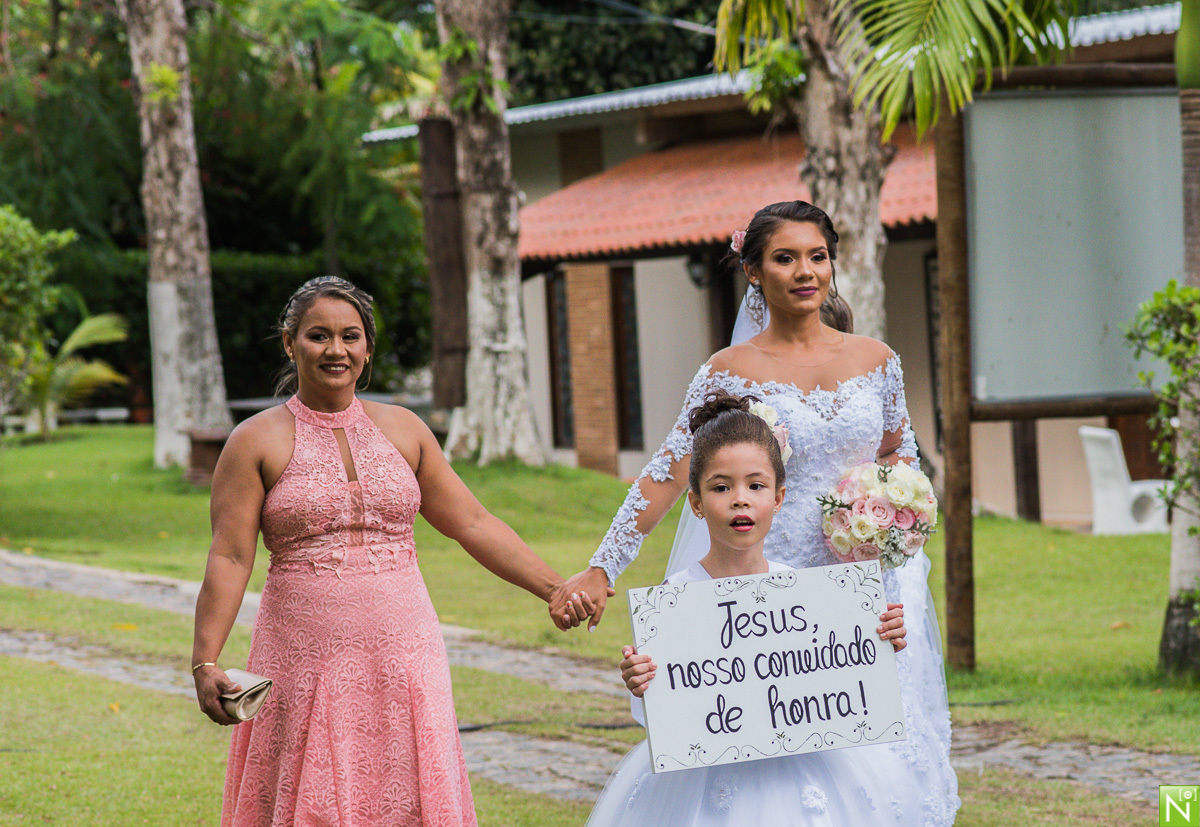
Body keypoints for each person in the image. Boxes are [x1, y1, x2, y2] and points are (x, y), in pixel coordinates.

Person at [562, 201, 959, 824]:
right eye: (785, 258)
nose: (806, 271)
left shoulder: (877, 360)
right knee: (764, 749)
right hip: (767, 581)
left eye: (817, 256)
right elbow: (670, 471)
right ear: (754, 271)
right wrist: (602, 568)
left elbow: (900, 454)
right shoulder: (730, 371)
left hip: (863, 587)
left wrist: (892, 509)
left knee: (877, 756)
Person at [191, 276, 592, 826]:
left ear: (368, 348)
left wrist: (553, 588)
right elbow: (231, 557)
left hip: (405, 650)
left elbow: (472, 522)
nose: (337, 350)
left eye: (350, 336)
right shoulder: (254, 440)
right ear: (289, 343)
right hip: (307, 654)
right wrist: (206, 661)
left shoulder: (405, 429)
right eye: (318, 336)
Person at [587, 392, 919, 825]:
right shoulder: (677, 598)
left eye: (755, 485)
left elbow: (843, 681)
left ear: (778, 498)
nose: (740, 499)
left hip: (800, 777)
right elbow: (665, 717)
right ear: (696, 502)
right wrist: (641, 682)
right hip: (702, 789)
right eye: (721, 487)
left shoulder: (805, 595)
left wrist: (879, 640)